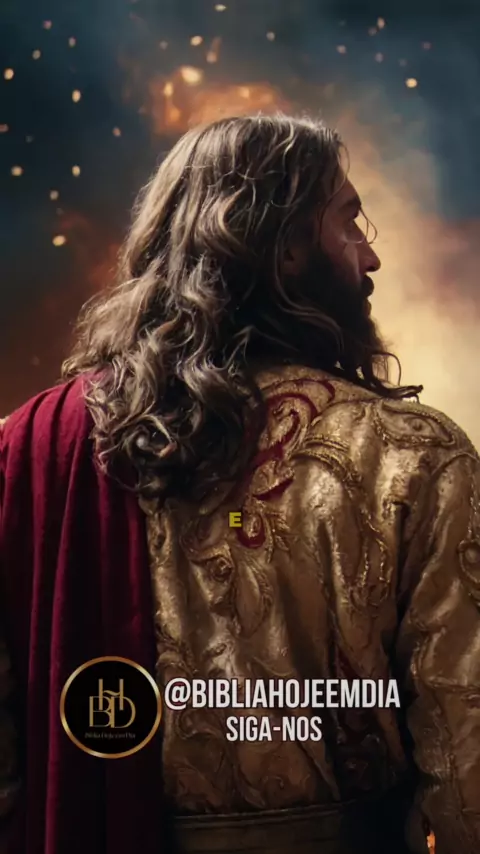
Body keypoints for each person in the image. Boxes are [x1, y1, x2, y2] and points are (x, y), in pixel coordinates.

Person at [1, 113, 479, 854]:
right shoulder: (413, 454)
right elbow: (466, 766)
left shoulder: (30, 448)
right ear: (285, 247)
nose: (371, 257)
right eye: (349, 222)